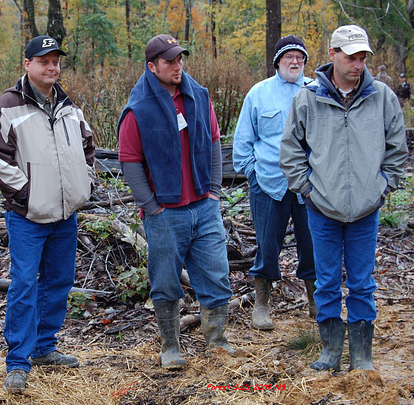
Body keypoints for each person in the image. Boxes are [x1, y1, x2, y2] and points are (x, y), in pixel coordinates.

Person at [280, 25, 408, 372]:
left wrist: (383, 187)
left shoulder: (382, 97)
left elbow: (398, 149)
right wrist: (306, 189)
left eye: (363, 57)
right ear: (333, 54)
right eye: (351, 57)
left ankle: (362, 356)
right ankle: (330, 351)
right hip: (322, 209)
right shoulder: (308, 98)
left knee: (363, 282)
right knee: (326, 282)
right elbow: (291, 150)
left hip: (366, 209)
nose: (358, 64)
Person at [0, 35, 96, 393]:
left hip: (66, 215)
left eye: (56, 61)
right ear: (27, 64)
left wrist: (84, 183)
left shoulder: (68, 106)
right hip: (28, 216)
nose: (52, 67)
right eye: (44, 61)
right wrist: (30, 195)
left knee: (59, 282)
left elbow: (88, 147)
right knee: (23, 284)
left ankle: (45, 348)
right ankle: (17, 361)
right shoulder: (7, 106)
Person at [117, 34, 234, 370]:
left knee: (216, 275)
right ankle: (171, 347)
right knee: (166, 281)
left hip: (203, 205)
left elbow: (213, 141)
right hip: (165, 212)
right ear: (152, 66)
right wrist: (152, 207)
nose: (177, 66)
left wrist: (213, 191)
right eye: (169, 61)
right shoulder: (138, 108)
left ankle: (217, 342)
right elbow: (130, 161)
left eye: (180, 59)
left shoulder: (198, 96)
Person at [232, 35, 316, 331]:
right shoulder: (259, 93)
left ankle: (315, 303)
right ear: (277, 61)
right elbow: (243, 141)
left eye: (300, 57)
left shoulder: (316, 91)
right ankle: (262, 305)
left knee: (314, 243)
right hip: (269, 182)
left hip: (311, 185)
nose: (295, 62)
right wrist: (253, 172)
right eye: (288, 57)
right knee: (268, 245)